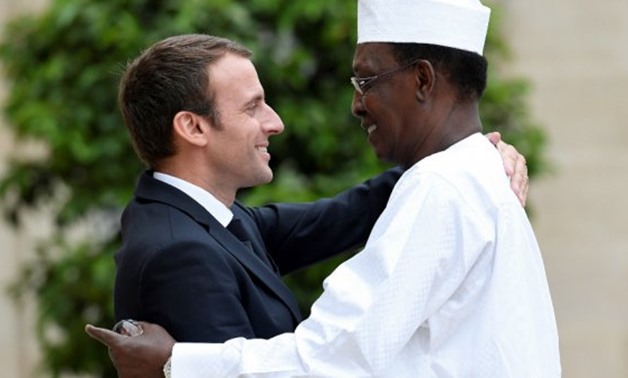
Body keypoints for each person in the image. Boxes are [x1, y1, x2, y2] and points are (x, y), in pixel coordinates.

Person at [85, 0, 548, 374]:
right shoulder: (178, 247)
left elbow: (337, 351)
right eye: (253, 108)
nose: (277, 123)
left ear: (423, 79)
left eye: (365, 80)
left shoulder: (445, 185)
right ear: (192, 127)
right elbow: (332, 357)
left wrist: (176, 362)